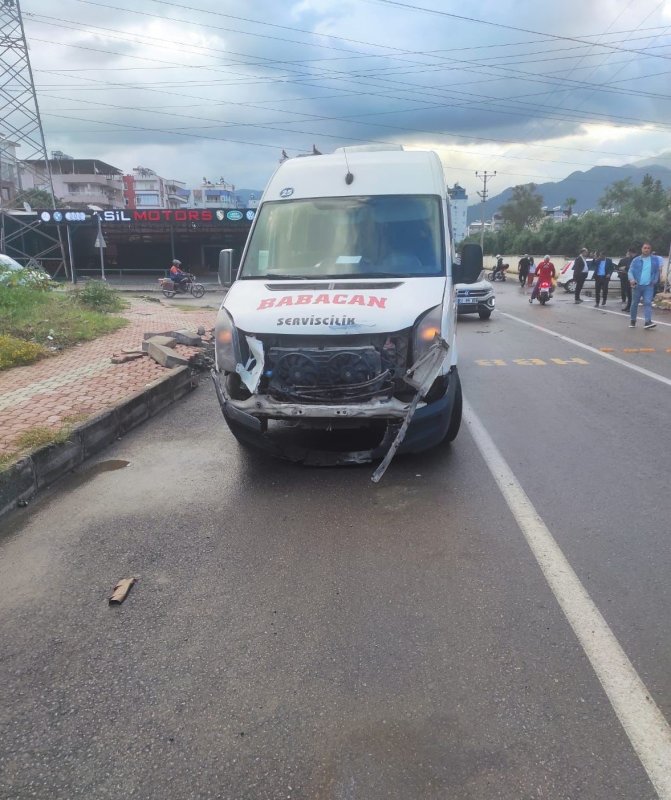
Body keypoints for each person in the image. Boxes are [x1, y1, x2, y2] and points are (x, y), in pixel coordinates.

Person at [628, 241, 664, 329]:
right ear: (642, 249)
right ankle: (633, 320)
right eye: (645, 248)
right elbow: (630, 271)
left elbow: (657, 271)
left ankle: (647, 322)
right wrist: (632, 279)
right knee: (634, 303)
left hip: (648, 286)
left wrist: (654, 280)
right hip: (637, 285)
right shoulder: (636, 260)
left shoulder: (655, 260)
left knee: (648, 302)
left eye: (648, 248)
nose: (646, 250)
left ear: (650, 250)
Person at [617, 247, 636, 312]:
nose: (627, 253)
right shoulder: (630, 259)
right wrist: (624, 269)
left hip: (634, 278)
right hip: (628, 278)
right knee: (629, 293)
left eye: (628, 252)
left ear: (630, 252)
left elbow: (632, 267)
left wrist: (625, 268)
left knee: (632, 294)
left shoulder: (636, 259)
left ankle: (631, 307)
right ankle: (628, 306)